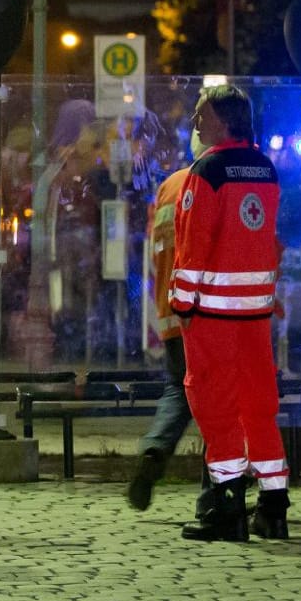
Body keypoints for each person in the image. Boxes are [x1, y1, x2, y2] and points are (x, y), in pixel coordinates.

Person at [170, 84, 287, 541]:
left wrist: (181, 304)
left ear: (223, 121)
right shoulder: (265, 168)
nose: (196, 123)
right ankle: (274, 509)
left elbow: (192, 245)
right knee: (260, 406)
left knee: (215, 408)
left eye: (203, 115)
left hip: (213, 315)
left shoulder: (207, 170)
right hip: (255, 315)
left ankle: (229, 510)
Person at [126, 161, 195, 511]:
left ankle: (154, 448)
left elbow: (156, 248)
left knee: (178, 389)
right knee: (220, 398)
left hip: (170, 309)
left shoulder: (168, 186)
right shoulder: (213, 179)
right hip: (207, 310)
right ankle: (222, 486)